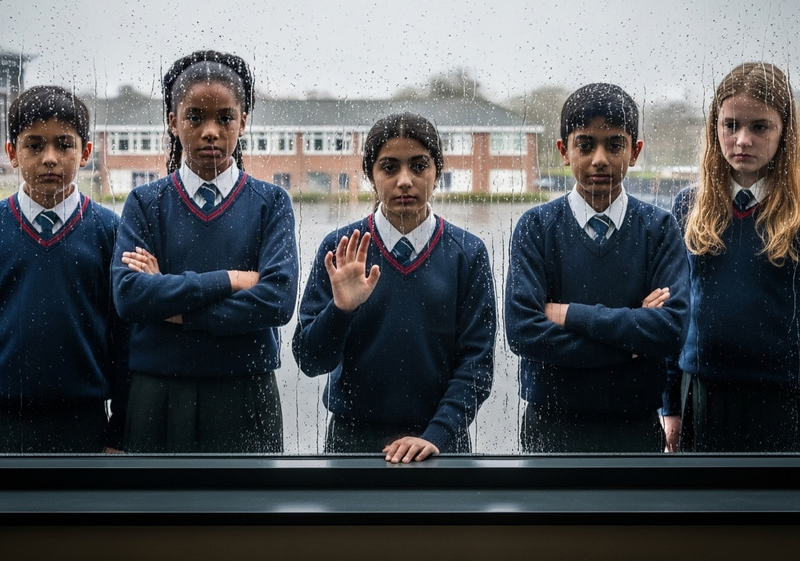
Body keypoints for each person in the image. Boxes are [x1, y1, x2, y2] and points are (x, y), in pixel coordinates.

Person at [113, 50, 298, 453]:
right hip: (157, 396)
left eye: (225, 118)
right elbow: (129, 296)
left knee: (248, 516)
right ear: (173, 122)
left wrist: (172, 304)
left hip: (247, 395)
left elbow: (278, 301)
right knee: (156, 516)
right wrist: (230, 280)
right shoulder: (145, 203)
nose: (210, 130)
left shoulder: (271, 203)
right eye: (195, 117)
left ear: (243, 122)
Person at [293, 112, 496, 463]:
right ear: (370, 175)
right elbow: (310, 360)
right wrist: (340, 311)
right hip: (352, 442)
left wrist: (437, 434)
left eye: (419, 166)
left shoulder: (467, 253)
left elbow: (476, 364)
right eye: (389, 167)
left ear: (438, 171)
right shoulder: (340, 248)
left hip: (440, 443)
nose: (405, 180)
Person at [505, 83, 690, 452]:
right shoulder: (537, 227)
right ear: (564, 151)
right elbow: (523, 330)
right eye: (585, 144)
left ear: (635, 151)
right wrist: (631, 343)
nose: (600, 158)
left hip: (635, 423)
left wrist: (569, 313)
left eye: (615, 144)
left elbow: (670, 330)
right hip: (550, 425)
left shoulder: (659, 228)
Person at [663, 62, 800, 452]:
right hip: (702, 394)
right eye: (731, 125)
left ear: (784, 133)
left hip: (783, 399)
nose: (742, 140)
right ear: (715, 127)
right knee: (703, 510)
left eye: (760, 127)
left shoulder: (796, 212)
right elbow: (675, 311)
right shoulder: (688, 205)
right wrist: (669, 406)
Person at [1, 86, 127, 452]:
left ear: (86, 152)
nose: (50, 158)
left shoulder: (110, 231)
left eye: (64, 144)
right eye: (35, 145)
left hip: (85, 424)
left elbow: (125, 338)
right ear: (12, 152)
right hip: (4, 423)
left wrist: (119, 431)